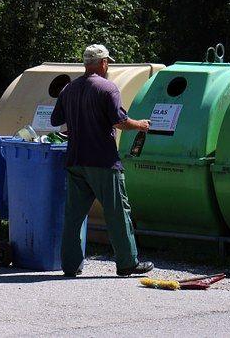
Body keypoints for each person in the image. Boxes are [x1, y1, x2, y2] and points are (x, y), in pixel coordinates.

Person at [50, 44, 153, 277]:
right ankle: (127, 263)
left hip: (76, 160)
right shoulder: (108, 88)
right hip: (104, 162)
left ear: (86, 64)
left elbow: (57, 120)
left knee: (74, 216)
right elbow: (119, 121)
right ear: (104, 63)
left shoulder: (68, 89)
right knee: (117, 212)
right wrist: (141, 125)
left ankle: (70, 265)